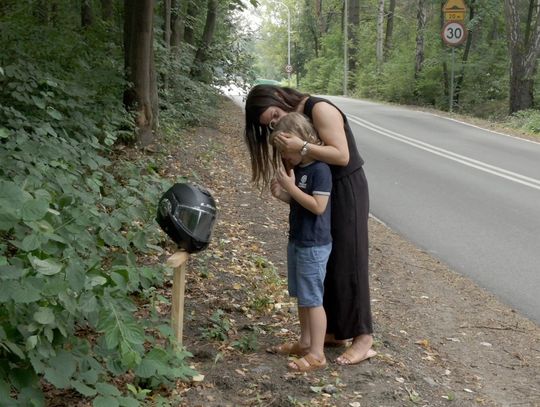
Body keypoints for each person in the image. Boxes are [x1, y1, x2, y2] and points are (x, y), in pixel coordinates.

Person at [244, 85, 376, 365]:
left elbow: (342, 156)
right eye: (271, 125)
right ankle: (335, 332)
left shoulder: (319, 108)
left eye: (275, 116)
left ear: (279, 98)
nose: (276, 125)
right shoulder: (295, 123)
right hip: (319, 191)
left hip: (346, 187)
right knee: (328, 264)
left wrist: (300, 147)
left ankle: (363, 338)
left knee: (350, 261)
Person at [268, 112, 332, 372]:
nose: (285, 158)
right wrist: (282, 194)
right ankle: (305, 342)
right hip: (298, 240)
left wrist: (291, 188)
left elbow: (318, 207)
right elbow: (301, 203)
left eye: (287, 152)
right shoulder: (300, 169)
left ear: (301, 141)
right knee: (302, 297)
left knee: (313, 299)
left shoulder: (320, 169)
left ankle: (317, 353)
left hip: (314, 244)